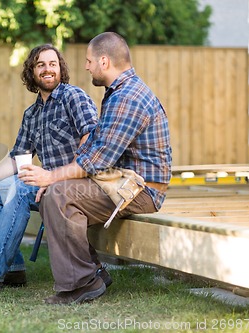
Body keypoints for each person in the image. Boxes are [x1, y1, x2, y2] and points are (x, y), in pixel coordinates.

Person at [19, 32, 172, 304]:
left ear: (104, 61)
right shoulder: (117, 93)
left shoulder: (128, 97)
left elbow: (97, 160)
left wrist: (51, 177)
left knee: (58, 196)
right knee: (53, 194)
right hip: (120, 182)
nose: (86, 67)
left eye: (89, 61)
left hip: (141, 190)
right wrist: (53, 180)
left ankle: (82, 283)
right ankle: (92, 273)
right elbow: (92, 150)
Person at [0, 44, 107, 290]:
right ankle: (13, 269)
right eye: (41, 64)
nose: (47, 69)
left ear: (60, 69)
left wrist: (55, 178)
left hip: (77, 184)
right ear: (32, 71)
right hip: (44, 185)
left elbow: (92, 141)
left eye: (52, 64)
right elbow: (17, 158)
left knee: (22, 187)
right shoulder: (32, 114)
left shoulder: (73, 97)